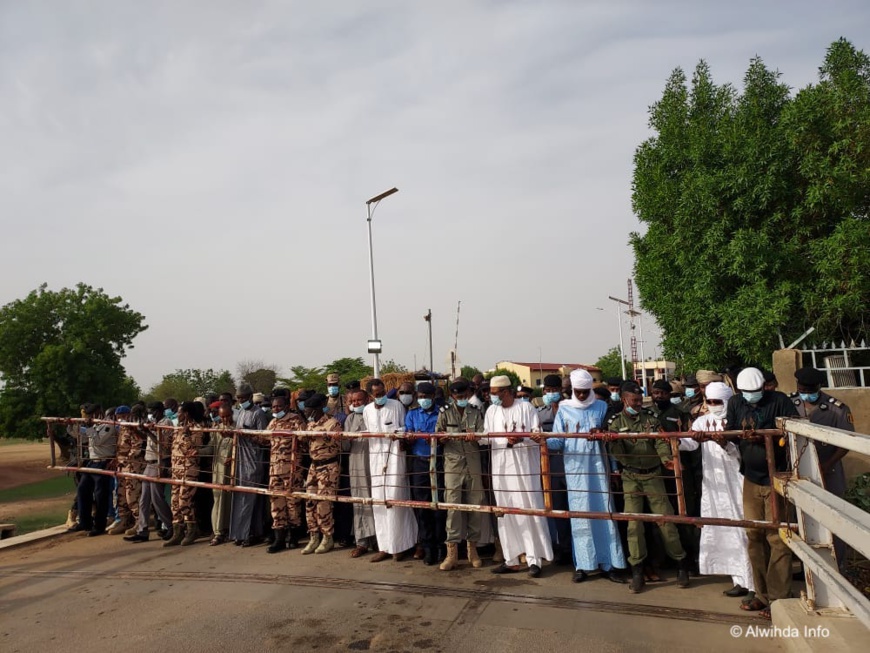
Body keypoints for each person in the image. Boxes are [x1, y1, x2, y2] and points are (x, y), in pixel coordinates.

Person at [727, 367, 799, 619]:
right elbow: (732, 434)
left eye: (756, 392)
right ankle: (761, 594)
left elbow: (794, 432)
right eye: (747, 392)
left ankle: (779, 598)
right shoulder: (736, 403)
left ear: (765, 387)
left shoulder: (780, 401)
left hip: (776, 477)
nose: (751, 396)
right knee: (753, 534)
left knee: (777, 537)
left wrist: (768, 438)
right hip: (750, 477)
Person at [607, 382, 689, 593]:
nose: (638, 404)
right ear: (624, 400)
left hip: (653, 475)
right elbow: (616, 451)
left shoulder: (651, 419)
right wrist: (612, 442)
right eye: (634, 401)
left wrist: (666, 459)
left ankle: (681, 564)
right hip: (630, 476)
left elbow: (661, 442)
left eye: (639, 400)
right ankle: (637, 570)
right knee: (634, 525)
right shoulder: (616, 423)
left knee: (666, 521)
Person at [548, 370, 627, 583]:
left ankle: (610, 564)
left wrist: (613, 467)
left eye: (585, 392)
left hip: (598, 468)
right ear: (572, 390)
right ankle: (583, 565)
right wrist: (540, 439)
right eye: (578, 392)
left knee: (605, 513)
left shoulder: (601, 407)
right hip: (575, 471)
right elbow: (557, 442)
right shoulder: (564, 409)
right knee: (580, 516)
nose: (582, 396)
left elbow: (609, 442)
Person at [680, 382, 754, 598]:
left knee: (743, 531)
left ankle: (754, 585)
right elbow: (689, 443)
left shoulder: (739, 420)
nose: (713, 406)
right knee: (725, 531)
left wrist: (724, 444)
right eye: (709, 402)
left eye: (717, 402)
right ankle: (739, 580)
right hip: (714, 484)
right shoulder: (702, 421)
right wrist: (675, 439)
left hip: (737, 481)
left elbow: (742, 452)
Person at [484, 375, 553, 578]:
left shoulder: (526, 408)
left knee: (528, 510)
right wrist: (478, 437)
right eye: (491, 394)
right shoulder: (491, 411)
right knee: (505, 513)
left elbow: (538, 436)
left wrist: (521, 439)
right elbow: (486, 438)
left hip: (524, 471)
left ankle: (534, 559)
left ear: (507, 392)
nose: (493, 397)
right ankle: (511, 559)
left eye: (496, 394)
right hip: (501, 470)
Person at [791, 366, 854, 570]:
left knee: (834, 517)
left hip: (829, 469)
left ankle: (838, 565)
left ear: (819, 386)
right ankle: (807, 566)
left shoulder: (837, 408)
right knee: (802, 518)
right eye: (802, 388)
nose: (805, 393)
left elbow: (847, 442)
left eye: (809, 389)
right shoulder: (791, 403)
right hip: (798, 470)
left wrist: (827, 465)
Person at [364, 379, 418, 562]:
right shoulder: (367, 411)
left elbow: (405, 427)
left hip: (395, 459)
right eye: (376, 395)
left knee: (396, 500)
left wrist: (397, 433)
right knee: (379, 502)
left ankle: (400, 545)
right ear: (370, 395)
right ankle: (384, 546)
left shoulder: (396, 406)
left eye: (382, 393)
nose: (380, 397)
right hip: (376, 460)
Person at [436, 379, 485, 571]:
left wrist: (476, 435)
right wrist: (443, 437)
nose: (461, 399)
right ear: (452, 396)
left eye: (464, 396)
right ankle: (452, 552)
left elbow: (483, 434)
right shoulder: (445, 412)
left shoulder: (475, 411)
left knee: (475, 505)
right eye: (458, 396)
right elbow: (437, 434)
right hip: (453, 465)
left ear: (468, 394)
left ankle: (473, 550)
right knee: (453, 507)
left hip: (472, 463)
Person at [258, 395, 307, 553]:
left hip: (292, 469)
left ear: (286, 406)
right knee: (276, 502)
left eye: (278, 407)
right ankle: (279, 537)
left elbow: (304, 440)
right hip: (275, 470)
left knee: (293, 502)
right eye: (273, 407)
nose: (275, 410)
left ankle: (293, 536)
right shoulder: (273, 422)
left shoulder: (295, 420)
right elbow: (264, 440)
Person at [405, 382, 446, 565]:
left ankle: (441, 547)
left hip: (438, 462)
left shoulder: (442, 413)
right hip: (420, 463)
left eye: (426, 397)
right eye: (420, 396)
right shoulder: (412, 414)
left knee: (439, 508)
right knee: (422, 508)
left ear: (432, 397)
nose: (423, 400)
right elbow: (408, 435)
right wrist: (410, 437)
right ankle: (428, 547)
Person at [229, 383, 271, 546]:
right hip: (240, 460)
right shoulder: (239, 413)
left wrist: (248, 434)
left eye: (243, 398)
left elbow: (264, 439)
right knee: (240, 497)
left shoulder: (258, 414)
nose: (240, 401)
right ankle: (240, 533)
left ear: (250, 397)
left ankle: (251, 533)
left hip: (254, 460)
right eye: (238, 398)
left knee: (251, 499)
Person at [125, 402, 173, 543]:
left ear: (160, 411)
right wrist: (137, 431)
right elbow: (146, 438)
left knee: (157, 499)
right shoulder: (153, 422)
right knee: (143, 500)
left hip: (160, 461)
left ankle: (171, 526)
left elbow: (163, 444)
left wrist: (147, 432)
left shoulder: (167, 422)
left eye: (154, 412)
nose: (152, 414)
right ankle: (142, 530)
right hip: (149, 461)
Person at [300, 393, 342, 554]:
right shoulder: (309, 425)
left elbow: (338, 445)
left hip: (328, 466)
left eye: (308, 410)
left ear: (316, 409)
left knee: (324, 502)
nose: (306, 413)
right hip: (313, 466)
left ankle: (327, 537)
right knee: (310, 501)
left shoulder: (332, 423)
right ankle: (313, 536)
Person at [537, 374, 571, 565]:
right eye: (547, 391)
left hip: (572, 465)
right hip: (551, 467)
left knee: (576, 511)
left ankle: (575, 549)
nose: (551, 394)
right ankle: (560, 547)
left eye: (554, 390)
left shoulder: (570, 409)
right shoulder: (540, 413)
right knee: (556, 511)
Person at [164, 401, 207, 547]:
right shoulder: (177, 428)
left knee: (184, 501)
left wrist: (188, 435)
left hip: (189, 469)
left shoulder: (197, 428)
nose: (178, 415)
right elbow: (168, 445)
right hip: (176, 469)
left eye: (180, 412)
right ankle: (178, 531)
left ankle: (192, 529)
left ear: (187, 413)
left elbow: (197, 447)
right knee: (174, 501)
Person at [70, 404, 117, 537]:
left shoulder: (108, 424)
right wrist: (71, 425)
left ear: (99, 413)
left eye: (93, 414)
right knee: (82, 489)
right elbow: (81, 436)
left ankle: (99, 525)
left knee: (100, 494)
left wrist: (89, 427)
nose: (91, 417)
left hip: (103, 461)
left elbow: (98, 440)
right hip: (92, 462)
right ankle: (84, 522)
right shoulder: (95, 425)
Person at [345, 389, 377, 558]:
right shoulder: (350, 419)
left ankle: (380, 540)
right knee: (359, 500)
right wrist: (347, 439)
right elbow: (344, 446)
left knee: (377, 499)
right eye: (353, 401)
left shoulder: (373, 415)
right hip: (356, 462)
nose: (356, 404)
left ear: (367, 399)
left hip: (373, 463)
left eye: (359, 400)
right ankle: (361, 541)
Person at [108, 405, 145, 535]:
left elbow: (137, 447)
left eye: (122, 417)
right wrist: (117, 459)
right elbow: (121, 447)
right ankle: (124, 521)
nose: (121, 420)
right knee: (121, 495)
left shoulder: (133, 427)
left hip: (133, 466)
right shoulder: (122, 428)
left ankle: (139, 523)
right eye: (119, 418)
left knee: (132, 496)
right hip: (122, 465)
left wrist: (125, 459)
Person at [209, 402, 235, 546]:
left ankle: (229, 530)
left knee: (230, 501)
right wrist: (196, 451)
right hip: (218, 470)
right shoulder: (216, 429)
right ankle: (218, 531)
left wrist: (234, 457)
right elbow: (210, 448)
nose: (225, 420)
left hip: (233, 471)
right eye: (222, 417)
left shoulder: (237, 428)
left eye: (227, 416)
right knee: (218, 500)